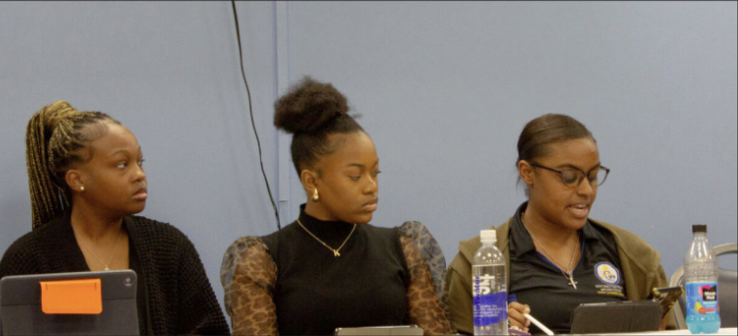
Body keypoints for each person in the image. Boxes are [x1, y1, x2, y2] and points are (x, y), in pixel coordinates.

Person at [220, 77, 453, 336]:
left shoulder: (405, 249)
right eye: (355, 176)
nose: (370, 186)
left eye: (375, 173)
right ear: (311, 181)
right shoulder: (263, 260)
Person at [0, 101, 230, 335]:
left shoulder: (168, 247)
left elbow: (212, 329)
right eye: (122, 164)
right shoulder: (28, 259)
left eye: (140, 162)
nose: (139, 175)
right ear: (76, 180)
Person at [445, 114, 676, 334]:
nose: (586, 190)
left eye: (593, 177)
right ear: (527, 173)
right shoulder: (477, 262)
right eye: (568, 177)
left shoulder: (635, 256)